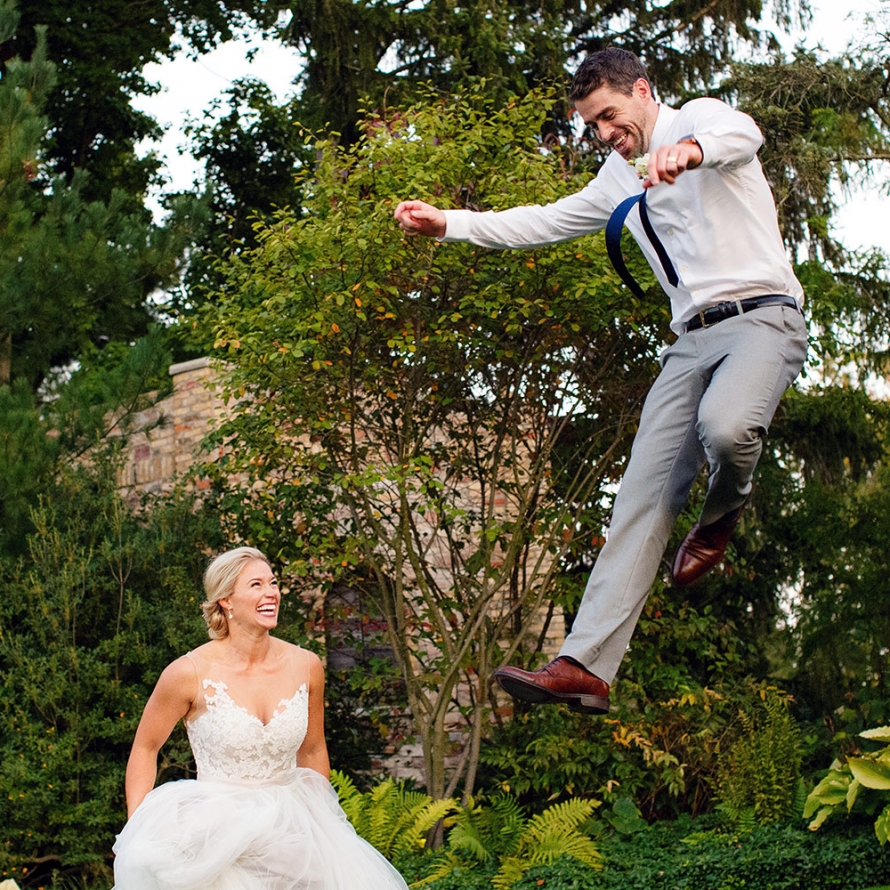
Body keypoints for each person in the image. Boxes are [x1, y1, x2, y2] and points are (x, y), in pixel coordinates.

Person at [394, 48, 807, 715]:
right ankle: (585, 665)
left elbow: (744, 134)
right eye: (593, 125)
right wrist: (451, 224)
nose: (606, 133)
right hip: (690, 340)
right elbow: (545, 220)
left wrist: (691, 151)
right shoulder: (617, 177)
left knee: (727, 427)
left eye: (611, 116)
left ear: (642, 91)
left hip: (763, 318)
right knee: (639, 495)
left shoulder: (696, 120)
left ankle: (722, 514)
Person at [112, 546, 409, 890]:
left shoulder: (307, 665)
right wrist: (138, 829)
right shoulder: (187, 673)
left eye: (273, 583)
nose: (271, 593)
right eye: (256, 585)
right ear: (226, 600)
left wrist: (323, 827)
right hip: (217, 835)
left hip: (291, 831)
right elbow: (145, 748)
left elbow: (312, 751)